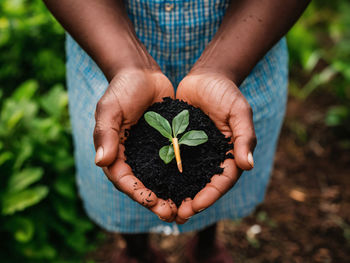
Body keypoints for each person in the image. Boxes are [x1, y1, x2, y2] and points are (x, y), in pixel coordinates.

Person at [44, 0, 310, 262]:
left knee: (218, 170)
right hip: (104, 43)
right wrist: (127, 66)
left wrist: (223, 69)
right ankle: (137, 251)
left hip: (246, 44)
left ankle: (206, 245)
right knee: (121, 175)